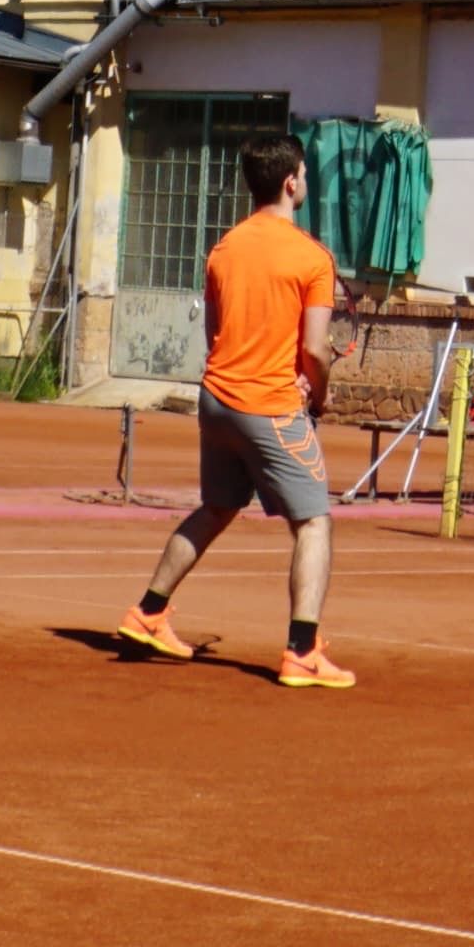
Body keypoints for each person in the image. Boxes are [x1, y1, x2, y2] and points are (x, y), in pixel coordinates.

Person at [114, 137, 355, 687]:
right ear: (291, 182)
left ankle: (147, 612)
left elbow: (218, 334)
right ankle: (302, 651)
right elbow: (315, 350)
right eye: (304, 174)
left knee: (218, 507)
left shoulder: (223, 249)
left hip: (216, 401)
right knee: (314, 522)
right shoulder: (312, 257)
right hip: (268, 405)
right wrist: (319, 394)